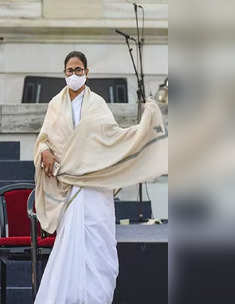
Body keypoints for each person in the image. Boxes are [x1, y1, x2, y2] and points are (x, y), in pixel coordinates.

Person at [33, 51, 167, 304]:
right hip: (69, 186)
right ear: (64, 73)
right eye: (70, 71)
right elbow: (43, 139)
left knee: (98, 247)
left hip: (96, 186)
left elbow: (112, 139)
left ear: (87, 72)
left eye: (79, 70)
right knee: (70, 249)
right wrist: (45, 151)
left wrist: (142, 130)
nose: (74, 75)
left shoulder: (97, 105)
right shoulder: (54, 105)